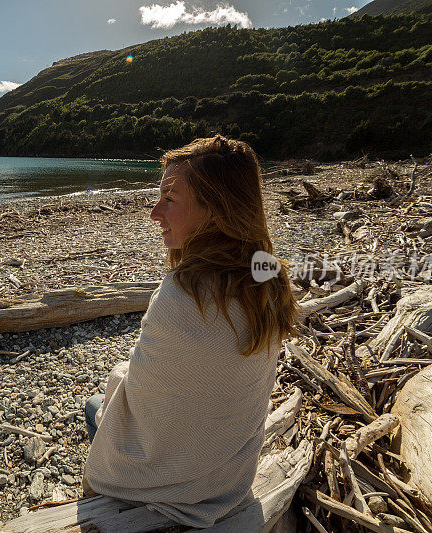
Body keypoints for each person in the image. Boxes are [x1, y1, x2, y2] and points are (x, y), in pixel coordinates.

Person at [81, 135, 300, 528]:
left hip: (175, 484)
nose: (154, 213)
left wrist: (118, 379)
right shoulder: (270, 277)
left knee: (96, 404)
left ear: (216, 209)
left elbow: (139, 399)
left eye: (170, 199)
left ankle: (101, 502)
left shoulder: (183, 294)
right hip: (228, 478)